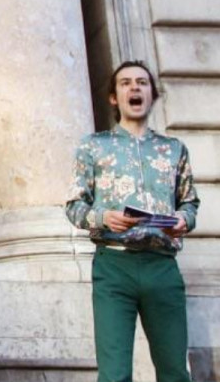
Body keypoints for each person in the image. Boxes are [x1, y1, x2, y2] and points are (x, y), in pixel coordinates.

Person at [65, 61, 200, 382]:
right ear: (114, 97)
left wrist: (183, 220)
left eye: (142, 82)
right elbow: (74, 206)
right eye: (125, 83)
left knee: (175, 373)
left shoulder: (173, 149)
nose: (134, 87)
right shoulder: (93, 146)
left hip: (162, 267)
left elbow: (190, 203)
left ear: (152, 94)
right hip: (114, 267)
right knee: (114, 375)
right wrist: (103, 218)